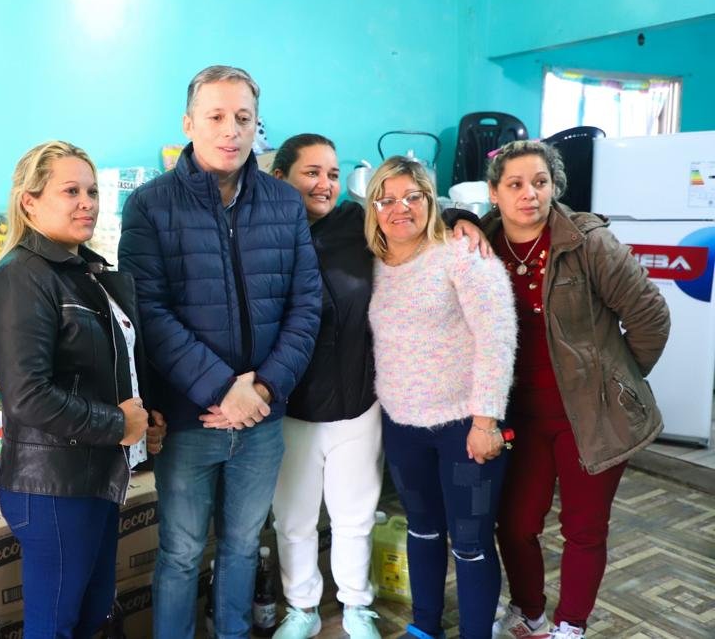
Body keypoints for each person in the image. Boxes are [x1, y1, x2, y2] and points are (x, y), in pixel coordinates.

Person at [118, 66, 322, 638]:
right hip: (191, 418)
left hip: (261, 417)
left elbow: (306, 305)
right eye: (216, 117)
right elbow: (149, 312)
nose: (231, 130)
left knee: (242, 544)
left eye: (243, 118)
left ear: (257, 126)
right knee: (182, 552)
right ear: (189, 124)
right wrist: (221, 389)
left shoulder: (283, 203)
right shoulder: (150, 206)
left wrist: (261, 389)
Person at [268, 136, 491, 639]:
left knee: (355, 513)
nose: (324, 184)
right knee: (293, 518)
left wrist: (464, 217)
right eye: (311, 173)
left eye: (332, 174)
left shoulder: (357, 222)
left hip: (359, 399)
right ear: (280, 178)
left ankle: (356, 605)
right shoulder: (263, 234)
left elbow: (412, 215)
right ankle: (301, 608)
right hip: (290, 403)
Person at [483, 141, 669, 639]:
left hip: (591, 414)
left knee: (584, 529)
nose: (530, 194)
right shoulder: (482, 241)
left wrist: (618, 380)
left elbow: (650, 316)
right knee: (515, 524)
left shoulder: (588, 242)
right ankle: (529, 613)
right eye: (516, 184)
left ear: (554, 187)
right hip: (520, 415)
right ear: (494, 193)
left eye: (540, 182)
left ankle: (571, 625)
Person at [0, 140, 165, 638]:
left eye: (92, 191)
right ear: (30, 202)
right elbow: (28, 396)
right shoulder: (21, 277)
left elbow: (109, 362)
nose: (87, 203)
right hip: (53, 486)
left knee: (91, 614)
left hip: (94, 472)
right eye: (71, 191)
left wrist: (145, 417)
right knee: (55, 626)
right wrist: (119, 424)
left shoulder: (83, 271)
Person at [365, 156, 516, 639]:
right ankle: (424, 627)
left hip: (464, 427)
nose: (400, 208)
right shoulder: (373, 263)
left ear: (432, 202)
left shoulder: (462, 254)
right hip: (402, 425)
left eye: (413, 196)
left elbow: (497, 337)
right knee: (422, 528)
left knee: (470, 542)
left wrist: (486, 421)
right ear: (373, 209)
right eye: (387, 199)